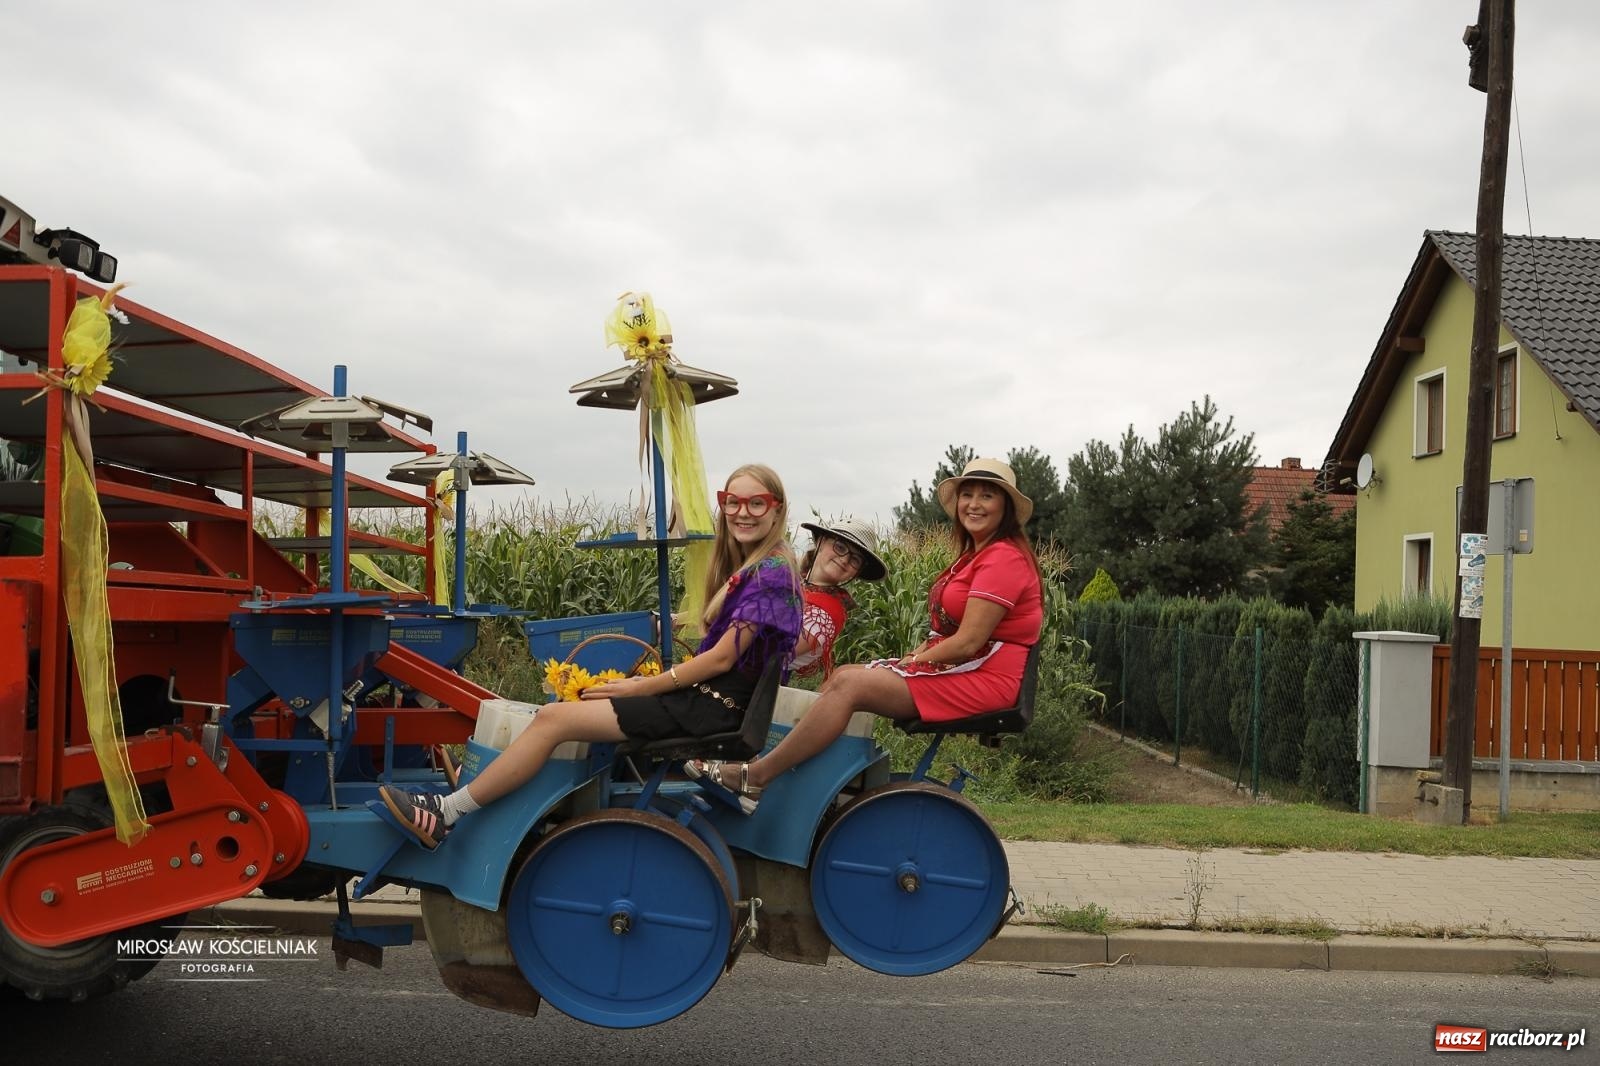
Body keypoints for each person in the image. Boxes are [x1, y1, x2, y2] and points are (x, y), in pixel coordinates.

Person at [379, 463, 803, 849]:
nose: (742, 512)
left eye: (756, 503)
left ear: (776, 509)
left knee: (552, 720)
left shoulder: (770, 575)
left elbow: (720, 661)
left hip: (709, 709)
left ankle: (447, 815)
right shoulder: (763, 568)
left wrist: (645, 685)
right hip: (710, 702)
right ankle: (511, 803)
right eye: (733, 502)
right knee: (580, 703)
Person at [690, 457, 1042, 811]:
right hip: (967, 667)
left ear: (1006, 508)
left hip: (987, 677)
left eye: (987, 496)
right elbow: (945, 630)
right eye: (968, 494)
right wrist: (918, 655)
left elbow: (968, 641)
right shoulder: (973, 557)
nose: (974, 504)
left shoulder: (1003, 558)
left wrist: (916, 660)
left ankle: (758, 776)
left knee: (852, 686)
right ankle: (821, 784)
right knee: (846, 674)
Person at [791, 518, 887, 681]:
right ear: (821, 542)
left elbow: (775, 650)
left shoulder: (828, 612)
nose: (844, 559)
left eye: (855, 559)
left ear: (856, 572)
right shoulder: (790, 581)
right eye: (840, 547)